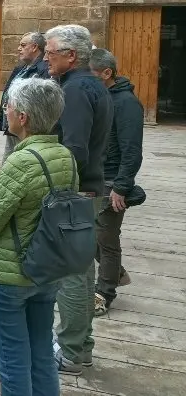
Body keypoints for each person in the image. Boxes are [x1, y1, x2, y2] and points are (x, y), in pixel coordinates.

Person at [0, 77, 76, 396]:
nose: (5, 111)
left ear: (22, 117)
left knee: (12, 360)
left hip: (9, 274)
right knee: (41, 353)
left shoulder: (21, 161)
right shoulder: (65, 156)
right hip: (47, 267)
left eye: (8, 106)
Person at [44, 25, 113, 375]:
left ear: (72, 55)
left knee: (71, 276)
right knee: (83, 274)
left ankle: (70, 350)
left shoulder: (75, 90)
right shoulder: (92, 86)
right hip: (88, 190)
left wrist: (55, 191)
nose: (45, 56)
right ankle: (81, 345)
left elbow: (74, 150)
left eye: (51, 51)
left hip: (76, 192)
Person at [90, 48, 143, 316]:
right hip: (96, 178)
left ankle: (104, 293)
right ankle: (117, 273)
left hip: (112, 181)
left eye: (92, 75)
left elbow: (132, 150)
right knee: (92, 237)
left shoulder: (126, 103)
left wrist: (121, 187)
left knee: (106, 239)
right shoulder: (102, 97)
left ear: (107, 73)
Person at [0, 32, 49, 162]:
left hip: (27, 127)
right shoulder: (21, 68)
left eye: (23, 45)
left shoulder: (43, 70)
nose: (19, 49)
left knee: (20, 163)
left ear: (35, 47)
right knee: (8, 162)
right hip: (13, 125)